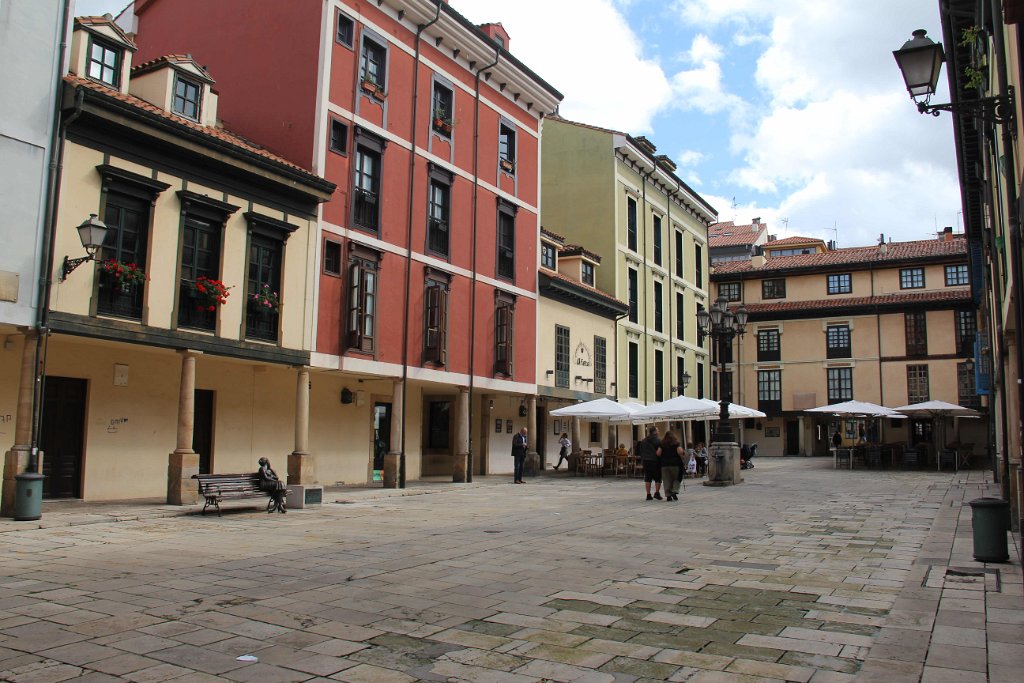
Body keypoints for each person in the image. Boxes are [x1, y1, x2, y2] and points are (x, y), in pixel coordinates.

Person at [657, 432, 684, 501]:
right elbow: (680, 452)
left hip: (664, 464)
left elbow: (658, 453)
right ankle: (674, 490)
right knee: (676, 478)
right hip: (675, 464)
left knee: (666, 480)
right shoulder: (676, 444)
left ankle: (668, 495)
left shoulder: (662, 444)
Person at [637, 426, 662, 500]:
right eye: (657, 430)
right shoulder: (658, 441)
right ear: (654, 432)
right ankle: (657, 493)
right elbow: (659, 452)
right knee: (658, 477)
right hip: (655, 461)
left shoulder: (643, 440)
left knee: (648, 477)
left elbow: (640, 451)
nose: (658, 432)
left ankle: (648, 494)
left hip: (645, 461)